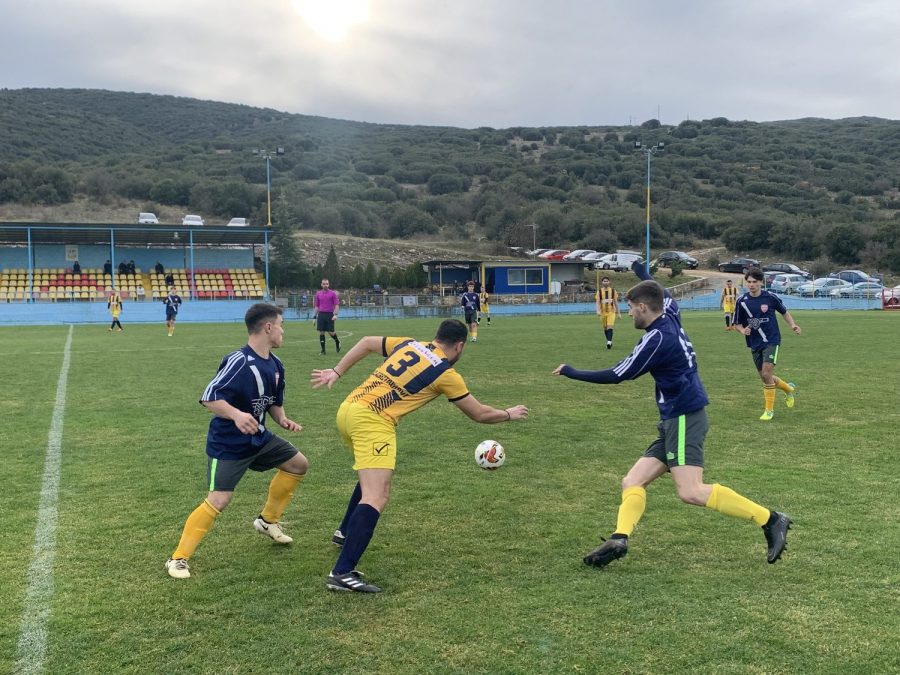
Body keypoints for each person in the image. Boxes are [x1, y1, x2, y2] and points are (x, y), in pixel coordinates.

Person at [552, 261, 791, 570]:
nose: (628, 314)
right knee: (632, 480)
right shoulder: (670, 313)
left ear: (642, 308)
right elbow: (660, 292)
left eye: (631, 309)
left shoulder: (656, 340)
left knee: (690, 491)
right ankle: (619, 538)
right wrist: (642, 274)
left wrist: (572, 371)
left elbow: (617, 374)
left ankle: (771, 520)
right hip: (676, 417)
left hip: (683, 416)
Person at [310, 319, 528, 593]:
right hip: (374, 420)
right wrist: (509, 414)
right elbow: (479, 413)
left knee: (372, 478)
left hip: (349, 409)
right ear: (459, 346)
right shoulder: (446, 373)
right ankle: (341, 573)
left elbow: (366, 342)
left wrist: (336, 371)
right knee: (378, 494)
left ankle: (344, 533)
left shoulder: (409, 344)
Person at [165, 304, 308, 580]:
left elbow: (273, 405)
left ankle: (267, 521)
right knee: (219, 499)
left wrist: (283, 419)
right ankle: (177, 559)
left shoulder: (277, 365)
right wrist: (237, 415)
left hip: (258, 437)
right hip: (228, 444)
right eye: (281, 325)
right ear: (268, 328)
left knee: (298, 464)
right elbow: (209, 396)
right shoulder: (239, 361)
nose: (282, 331)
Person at [732, 267, 801, 421]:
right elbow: (736, 323)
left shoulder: (770, 297)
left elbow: (784, 312)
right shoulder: (741, 301)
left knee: (766, 374)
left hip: (771, 340)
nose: (751, 285)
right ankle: (788, 389)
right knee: (765, 377)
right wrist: (742, 331)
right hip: (754, 343)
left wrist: (793, 325)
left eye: (754, 282)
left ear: (761, 282)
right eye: (748, 282)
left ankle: (769, 411)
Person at [313, 278, 341, 356]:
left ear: (328, 284)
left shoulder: (332, 293)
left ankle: (337, 341)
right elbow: (316, 306)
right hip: (321, 315)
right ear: (321, 284)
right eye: (324, 284)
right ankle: (323, 351)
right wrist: (314, 317)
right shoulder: (318, 294)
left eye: (327, 284)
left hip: (329, 315)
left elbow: (336, 305)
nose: (325, 285)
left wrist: (335, 315)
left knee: (331, 332)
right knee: (321, 332)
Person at [595, 276, 622, 349]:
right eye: (604, 281)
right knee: (605, 328)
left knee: (610, 326)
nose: (606, 282)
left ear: (609, 282)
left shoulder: (613, 291)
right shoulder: (599, 292)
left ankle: (609, 342)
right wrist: (598, 310)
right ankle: (609, 341)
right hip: (603, 313)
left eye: (607, 281)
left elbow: (616, 303)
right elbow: (597, 302)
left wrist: (619, 313)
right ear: (602, 282)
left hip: (611, 312)